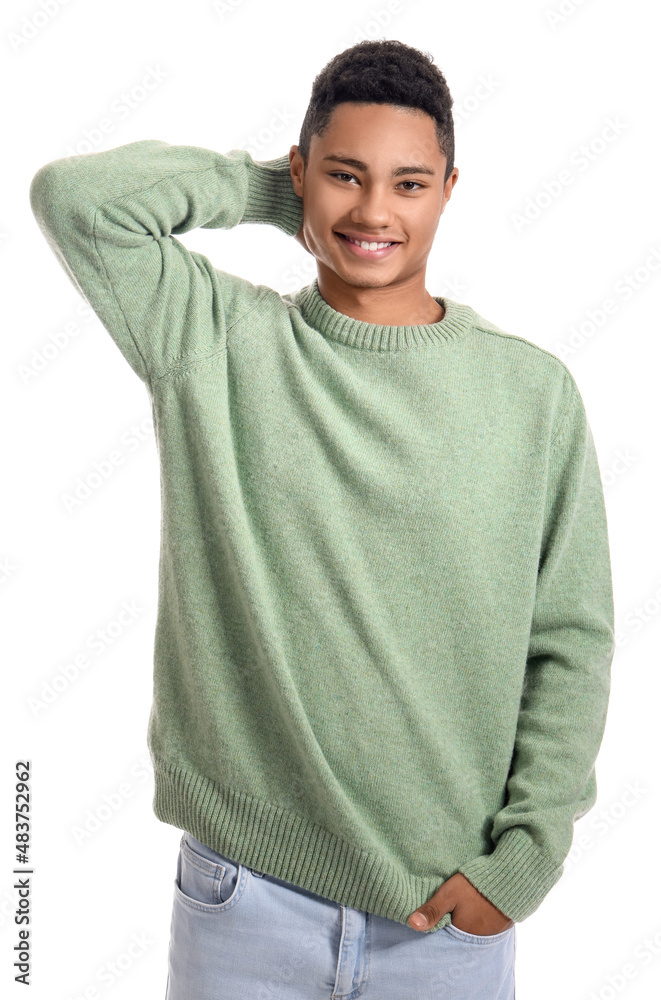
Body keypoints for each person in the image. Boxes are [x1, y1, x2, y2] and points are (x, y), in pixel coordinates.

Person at [29, 38, 615, 1000]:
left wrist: (522, 864)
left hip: (446, 918)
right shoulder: (215, 340)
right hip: (246, 904)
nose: (374, 211)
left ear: (449, 191)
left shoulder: (532, 396)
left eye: (408, 183)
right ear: (301, 172)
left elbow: (572, 643)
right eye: (343, 176)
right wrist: (272, 194)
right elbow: (79, 200)